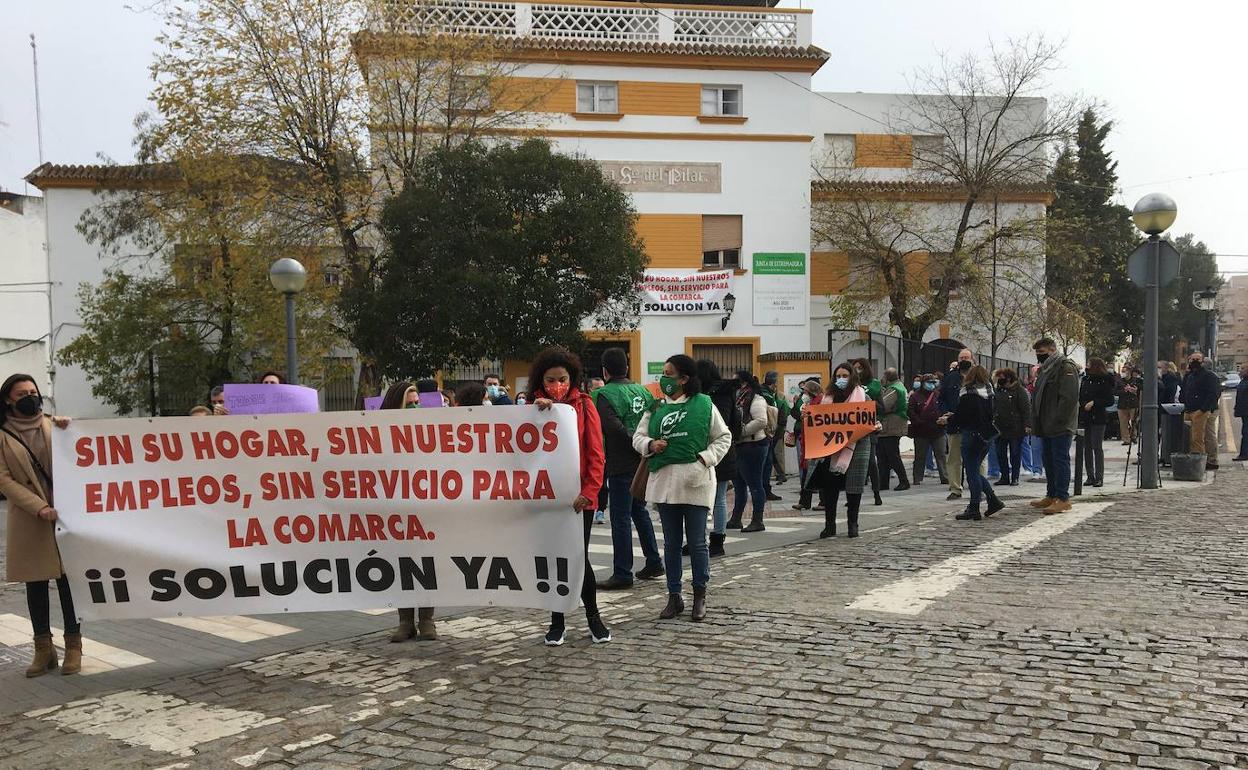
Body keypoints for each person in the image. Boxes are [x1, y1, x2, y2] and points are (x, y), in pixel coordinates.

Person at [633, 355, 732, 621]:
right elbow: (638, 437)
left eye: (669, 373)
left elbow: (723, 437)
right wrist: (650, 444)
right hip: (665, 484)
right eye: (662, 373)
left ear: (684, 378)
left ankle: (700, 594)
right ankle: (674, 596)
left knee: (698, 543)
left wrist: (705, 459)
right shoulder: (655, 407)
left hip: (696, 482)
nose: (663, 379)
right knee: (672, 544)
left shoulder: (704, 405)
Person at [0, 374, 80, 676]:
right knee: (35, 584)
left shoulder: (54, 425)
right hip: (30, 518)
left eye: (33, 391)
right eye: (22, 393)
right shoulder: (2, 434)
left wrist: (71, 428)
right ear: (8, 398)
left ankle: (74, 646)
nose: (29, 397)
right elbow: (4, 479)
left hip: (65, 514)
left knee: (68, 582)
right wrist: (39, 507)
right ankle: (43, 649)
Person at [530, 348, 610, 645]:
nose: (557, 385)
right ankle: (557, 619)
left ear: (571, 379)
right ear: (541, 380)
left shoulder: (585, 405)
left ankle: (593, 616)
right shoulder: (530, 407)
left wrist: (589, 493)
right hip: (544, 499)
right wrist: (536, 412)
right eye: (550, 379)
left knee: (579, 557)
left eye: (562, 379)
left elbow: (596, 455)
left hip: (578, 500)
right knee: (553, 560)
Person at [592, 347, 663, 590]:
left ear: (605, 370)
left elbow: (611, 428)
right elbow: (655, 419)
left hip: (621, 462)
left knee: (620, 518)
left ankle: (623, 572)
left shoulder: (604, 395)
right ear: (627, 368)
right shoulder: (643, 391)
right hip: (643, 460)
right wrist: (644, 446)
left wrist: (634, 444)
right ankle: (654, 561)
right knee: (639, 511)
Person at [378, 381, 438, 644]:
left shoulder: (430, 432)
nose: (415, 407)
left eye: (417, 402)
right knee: (401, 564)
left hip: (424, 508)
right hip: (395, 510)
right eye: (409, 403)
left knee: (426, 564)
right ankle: (405, 621)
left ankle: (426, 620)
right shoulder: (378, 434)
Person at [807, 364, 878, 538]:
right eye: (838, 375)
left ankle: (852, 524)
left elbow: (871, 419)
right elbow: (819, 422)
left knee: (854, 487)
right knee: (829, 487)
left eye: (845, 375)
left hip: (856, 446)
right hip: (831, 448)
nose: (841, 379)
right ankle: (829, 525)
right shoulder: (827, 398)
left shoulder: (863, 397)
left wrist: (875, 426)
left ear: (852, 376)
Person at [945, 365, 1005, 521]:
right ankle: (993, 501)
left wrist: (948, 419)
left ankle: (974, 507)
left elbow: (961, 417)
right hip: (986, 436)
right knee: (975, 472)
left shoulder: (968, 393)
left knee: (972, 473)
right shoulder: (991, 392)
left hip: (971, 434)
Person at [1029, 338, 1081, 514]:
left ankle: (1062, 498)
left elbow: (1069, 397)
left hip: (1059, 424)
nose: (1039, 356)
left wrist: (1058, 419)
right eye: (1037, 353)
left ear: (1052, 349)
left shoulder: (1065, 367)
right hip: (1045, 423)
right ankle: (1051, 495)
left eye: (1042, 352)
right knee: (1048, 460)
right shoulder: (1046, 369)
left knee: (1060, 460)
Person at [697, 359, 741, 557]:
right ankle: (716, 539)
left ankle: (708, 539)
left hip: (710, 449)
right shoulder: (728, 393)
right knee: (719, 498)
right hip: (726, 449)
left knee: (708, 499)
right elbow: (736, 423)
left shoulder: (707, 397)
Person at [728, 370, 770, 533]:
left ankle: (757, 520)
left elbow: (761, 421)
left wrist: (741, 431)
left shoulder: (756, 399)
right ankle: (736, 519)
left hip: (754, 445)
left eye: (735, 381)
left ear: (744, 383)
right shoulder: (738, 398)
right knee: (739, 484)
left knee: (755, 484)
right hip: (740, 445)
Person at [941, 349, 975, 500]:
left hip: (973, 425)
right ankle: (955, 488)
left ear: (972, 359)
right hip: (954, 424)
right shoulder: (950, 378)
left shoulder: (978, 377)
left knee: (976, 458)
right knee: (954, 458)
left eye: (966, 357)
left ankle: (977, 487)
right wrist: (945, 412)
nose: (964, 360)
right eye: (961, 358)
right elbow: (942, 398)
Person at [852, 359, 884, 506]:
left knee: (871, 462)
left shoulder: (875, 385)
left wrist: (868, 404)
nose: (858, 370)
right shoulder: (849, 386)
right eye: (855, 368)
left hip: (868, 428)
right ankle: (853, 494)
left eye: (860, 368)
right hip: (852, 429)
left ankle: (876, 493)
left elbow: (881, 407)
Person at [1181, 351, 1221, 470]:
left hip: (1203, 410)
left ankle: (1207, 460)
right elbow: (1185, 390)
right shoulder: (1189, 376)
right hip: (1190, 409)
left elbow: (1213, 394)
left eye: (1197, 359)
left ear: (1203, 361)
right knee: (1192, 435)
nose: (1194, 362)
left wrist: (1203, 409)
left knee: (1203, 436)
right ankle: (1200, 459)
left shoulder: (1209, 376)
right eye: (1192, 359)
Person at [992, 368, 1031, 486]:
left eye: (1002, 377)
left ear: (1009, 378)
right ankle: (1004, 476)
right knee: (1000, 453)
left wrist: (1027, 425)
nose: (999, 380)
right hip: (1000, 427)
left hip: (1015, 427)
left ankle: (1015, 477)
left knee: (1015, 453)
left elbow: (1026, 409)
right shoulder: (998, 390)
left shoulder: (1020, 391)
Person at [908, 374, 947, 486]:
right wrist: (918, 421)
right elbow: (910, 411)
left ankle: (944, 476)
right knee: (920, 456)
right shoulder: (915, 396)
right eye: (929, 382)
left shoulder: (938, 395)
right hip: (921, 431)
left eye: (933, 382)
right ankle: (917, 478)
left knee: (941, 454)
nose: (931, 385)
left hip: (938, 430)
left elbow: (944, 408)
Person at [791, 379, 824, 511]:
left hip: (817, 443)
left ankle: (823, 502)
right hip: (807, 441)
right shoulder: (808, 403)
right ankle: (804, 501)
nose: (803, 393)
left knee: (818, 473)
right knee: (806, 473)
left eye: (805, 391)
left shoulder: (820, 402)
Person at [876, 368, 910, 491]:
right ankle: (883, 482)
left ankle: (903, 481)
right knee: (884, 455)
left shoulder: (894, 389)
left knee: (892, 455)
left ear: (888, 377)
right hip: (892, 426)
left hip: (891, 426)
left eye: (884, 376)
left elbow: (883, 406)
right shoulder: (900, 386)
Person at [760, 371, 789, 494]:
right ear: (774, 383)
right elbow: (780, 412)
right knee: (769, 459)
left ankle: (779, 476)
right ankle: (766, 489)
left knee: (771, 457)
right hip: (770, 432)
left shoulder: (771, 394)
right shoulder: (769, 396)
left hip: (771, 432)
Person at [1115, 365, 1143, 445]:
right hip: (1122, 404)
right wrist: (1125, 390)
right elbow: (1115, 391)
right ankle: (1126, 439)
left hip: (1133, 403)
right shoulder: (1119, 381)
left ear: (1129, 372)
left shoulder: (1136, 380)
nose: (1123, 373)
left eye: (1125, 371)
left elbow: (1141, 389)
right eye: (1122, 371)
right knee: (1123, 423)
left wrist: (1135, 390)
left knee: (1134, 421)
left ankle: (1133, 436)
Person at [1234, 361, 1248, 462]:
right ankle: (1243, 453)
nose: (1240, 370)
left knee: (1246, 433)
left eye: (1243, 368)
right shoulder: (1243, 381)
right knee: (1245, 432)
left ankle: (1244, 454)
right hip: (1244, 411)